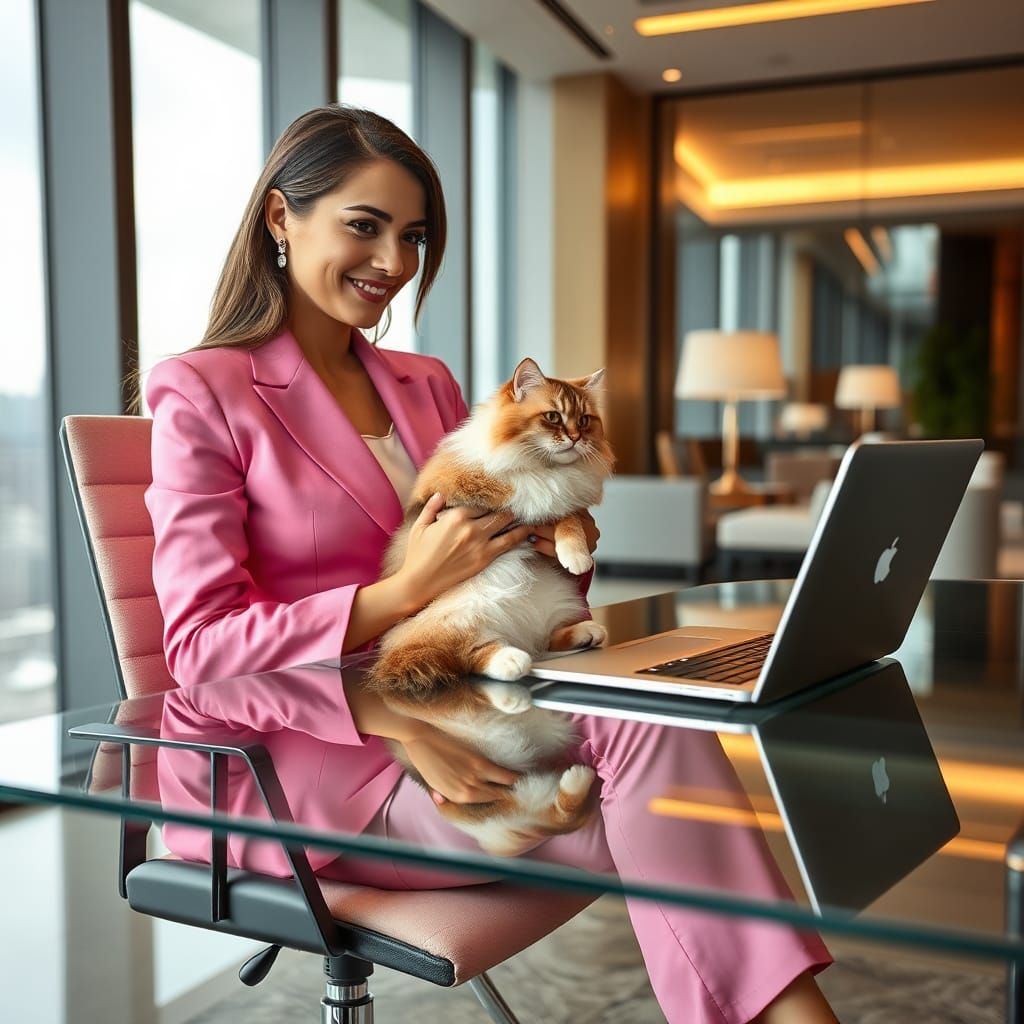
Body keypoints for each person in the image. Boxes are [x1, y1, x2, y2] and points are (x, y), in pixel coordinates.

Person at [145, 104, 838, 1024]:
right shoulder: (203, 389)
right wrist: (399, 643)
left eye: (413, 236)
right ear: (281, 218)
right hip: (297, 765)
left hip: (460, 696)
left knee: (660, 728)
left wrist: (559, 526)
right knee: (676, 816)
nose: (393, 262)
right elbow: (200, 650)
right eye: (364, 225)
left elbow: (517, 568)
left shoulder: (424, 383)